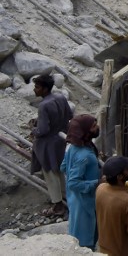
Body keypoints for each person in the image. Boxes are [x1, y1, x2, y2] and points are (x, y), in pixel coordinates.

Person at [30, 74, 73, 217]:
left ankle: (58, 205)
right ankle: (68, 198)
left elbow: (43, 130)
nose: (34, 90)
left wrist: (33, 129)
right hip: (60, 140)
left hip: (48, 144)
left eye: (37, 87)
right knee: (60, 171)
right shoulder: (60, 97)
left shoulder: (43, 105)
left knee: (50, 173)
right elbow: (69, 116)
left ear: (45, 89)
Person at [61, 114, 102, 248]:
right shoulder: (84, 155)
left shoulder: (72, 148)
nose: (97, 128)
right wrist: (96, 182)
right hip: (85, 202)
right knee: (85, 241)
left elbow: (63, 167)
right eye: (93, 126)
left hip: (75, 199)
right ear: (84, 131)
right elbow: (73, 183)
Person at [96, 156, 128, 256]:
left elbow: (109, 185)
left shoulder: (100, 189)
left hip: (104, 249)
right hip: (122, 252)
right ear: (119, 176)